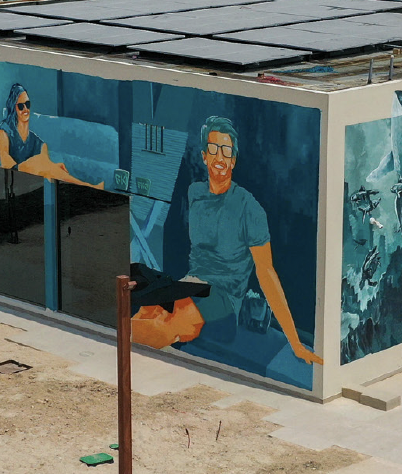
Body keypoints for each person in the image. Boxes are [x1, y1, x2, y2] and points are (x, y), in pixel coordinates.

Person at [131, 116, 320, 365]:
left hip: (223, 301)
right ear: (204, 156)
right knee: (138, 300)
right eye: (213, 149)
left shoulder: (249, 209)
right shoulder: (195, 194)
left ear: (234, 159)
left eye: (226, 151)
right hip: (190, 285)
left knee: (162, 326)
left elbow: (267, 273)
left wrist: (295, 343)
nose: (220, 158)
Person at [0, 82, 100, 187]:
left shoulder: (34, 139)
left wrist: (52, 166)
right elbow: (5, 161)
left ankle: (87, 185)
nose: (25, 109)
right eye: (21, 106)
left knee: (48, 166)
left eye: (27, 104)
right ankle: (88, 185)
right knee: (40, 163)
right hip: (18, 172)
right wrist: (26, 166)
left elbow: (44, 156)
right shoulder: (5, 130)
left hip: (34, 173)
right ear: (13, 107)